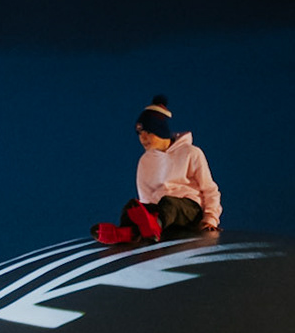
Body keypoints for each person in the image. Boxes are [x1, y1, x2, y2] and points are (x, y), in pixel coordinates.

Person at [92, 94, 223, 245]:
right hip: (159, 213)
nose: (143, 138)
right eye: (140, 134)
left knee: (169, 203)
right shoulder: (145, 161)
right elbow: (145, 197)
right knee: (131, 206)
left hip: (189, 209)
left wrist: (210, 218)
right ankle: (127, 232)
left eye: (148, 132)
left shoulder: (191, 153)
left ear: (160, 131)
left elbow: (209, 189)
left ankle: (153, 226)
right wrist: (142, 212)